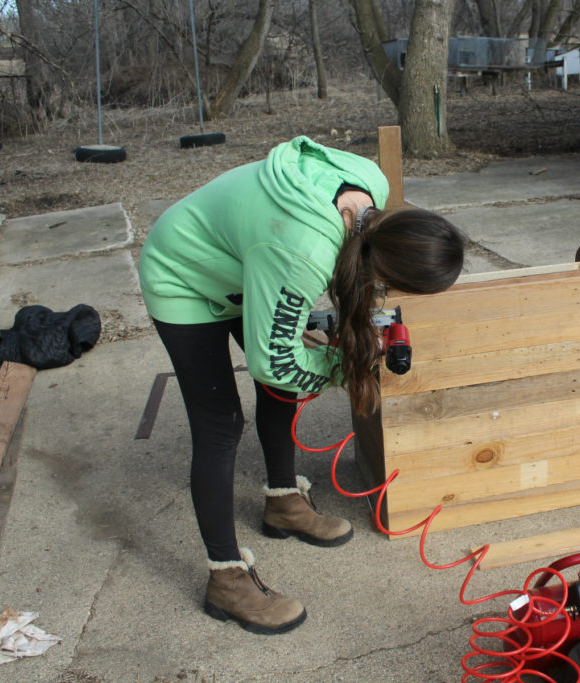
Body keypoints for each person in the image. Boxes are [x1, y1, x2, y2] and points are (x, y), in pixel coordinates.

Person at [137, 135, 465, 635]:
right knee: (221, 423)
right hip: (184, 271)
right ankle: (225, 578)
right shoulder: (303, 249)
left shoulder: (370, 187)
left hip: (247, 258)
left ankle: (283, 501)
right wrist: (347, 366)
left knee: (285, 387)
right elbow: (275, 363)